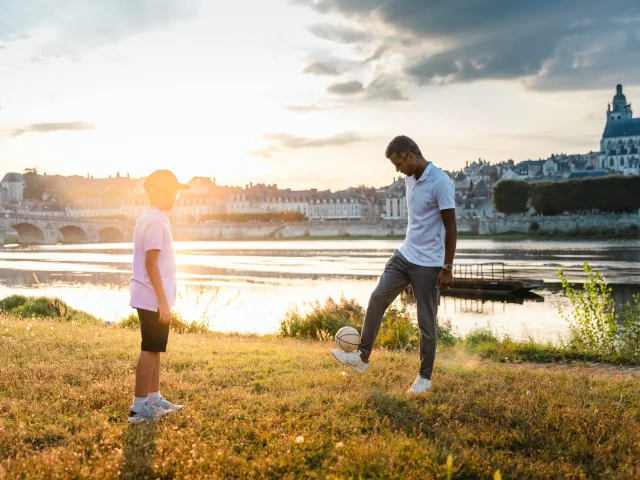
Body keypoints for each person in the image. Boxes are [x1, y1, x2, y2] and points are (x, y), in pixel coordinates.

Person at [332, 136, 457, 394]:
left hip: (430, 264)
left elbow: (451, 227)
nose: (397, 169)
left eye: (399, 163)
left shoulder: (441, 182)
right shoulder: (409, 179)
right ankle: (362, 357)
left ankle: (424, 378)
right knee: (378, 297)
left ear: (411, 156)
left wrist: (447, 267)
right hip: (404, 255)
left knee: (426, 322)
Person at [128, 169, 191, 423]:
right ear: (161, 192)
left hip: (153, 297)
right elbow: (151, 264)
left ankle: (153, 398)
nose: (177, 196)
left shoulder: (155, 217)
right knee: (150, 348)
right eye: (174, 191)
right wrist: (163, 302)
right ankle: (139, 406)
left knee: (156, 349)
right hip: (153, 298)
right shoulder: (154, 220)